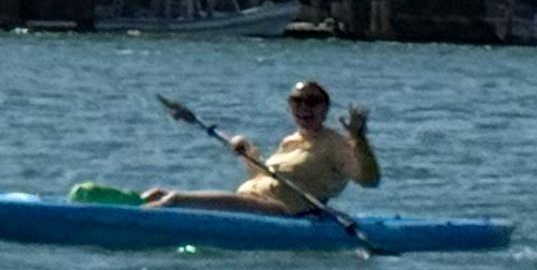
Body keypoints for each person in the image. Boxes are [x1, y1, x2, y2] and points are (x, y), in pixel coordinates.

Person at [148, 78, 378, 216]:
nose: (304, 107)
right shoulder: (291, 141)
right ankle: (132, 207)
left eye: (312, 102)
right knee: (158, 193)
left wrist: (359, 139)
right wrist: (246, 151)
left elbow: (369, 181)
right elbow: (266, 177)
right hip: (251, 202)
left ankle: (141, 217)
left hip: (281, 211)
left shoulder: (335, 144)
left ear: (325, 109)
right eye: (297, 101)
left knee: (176, 199)